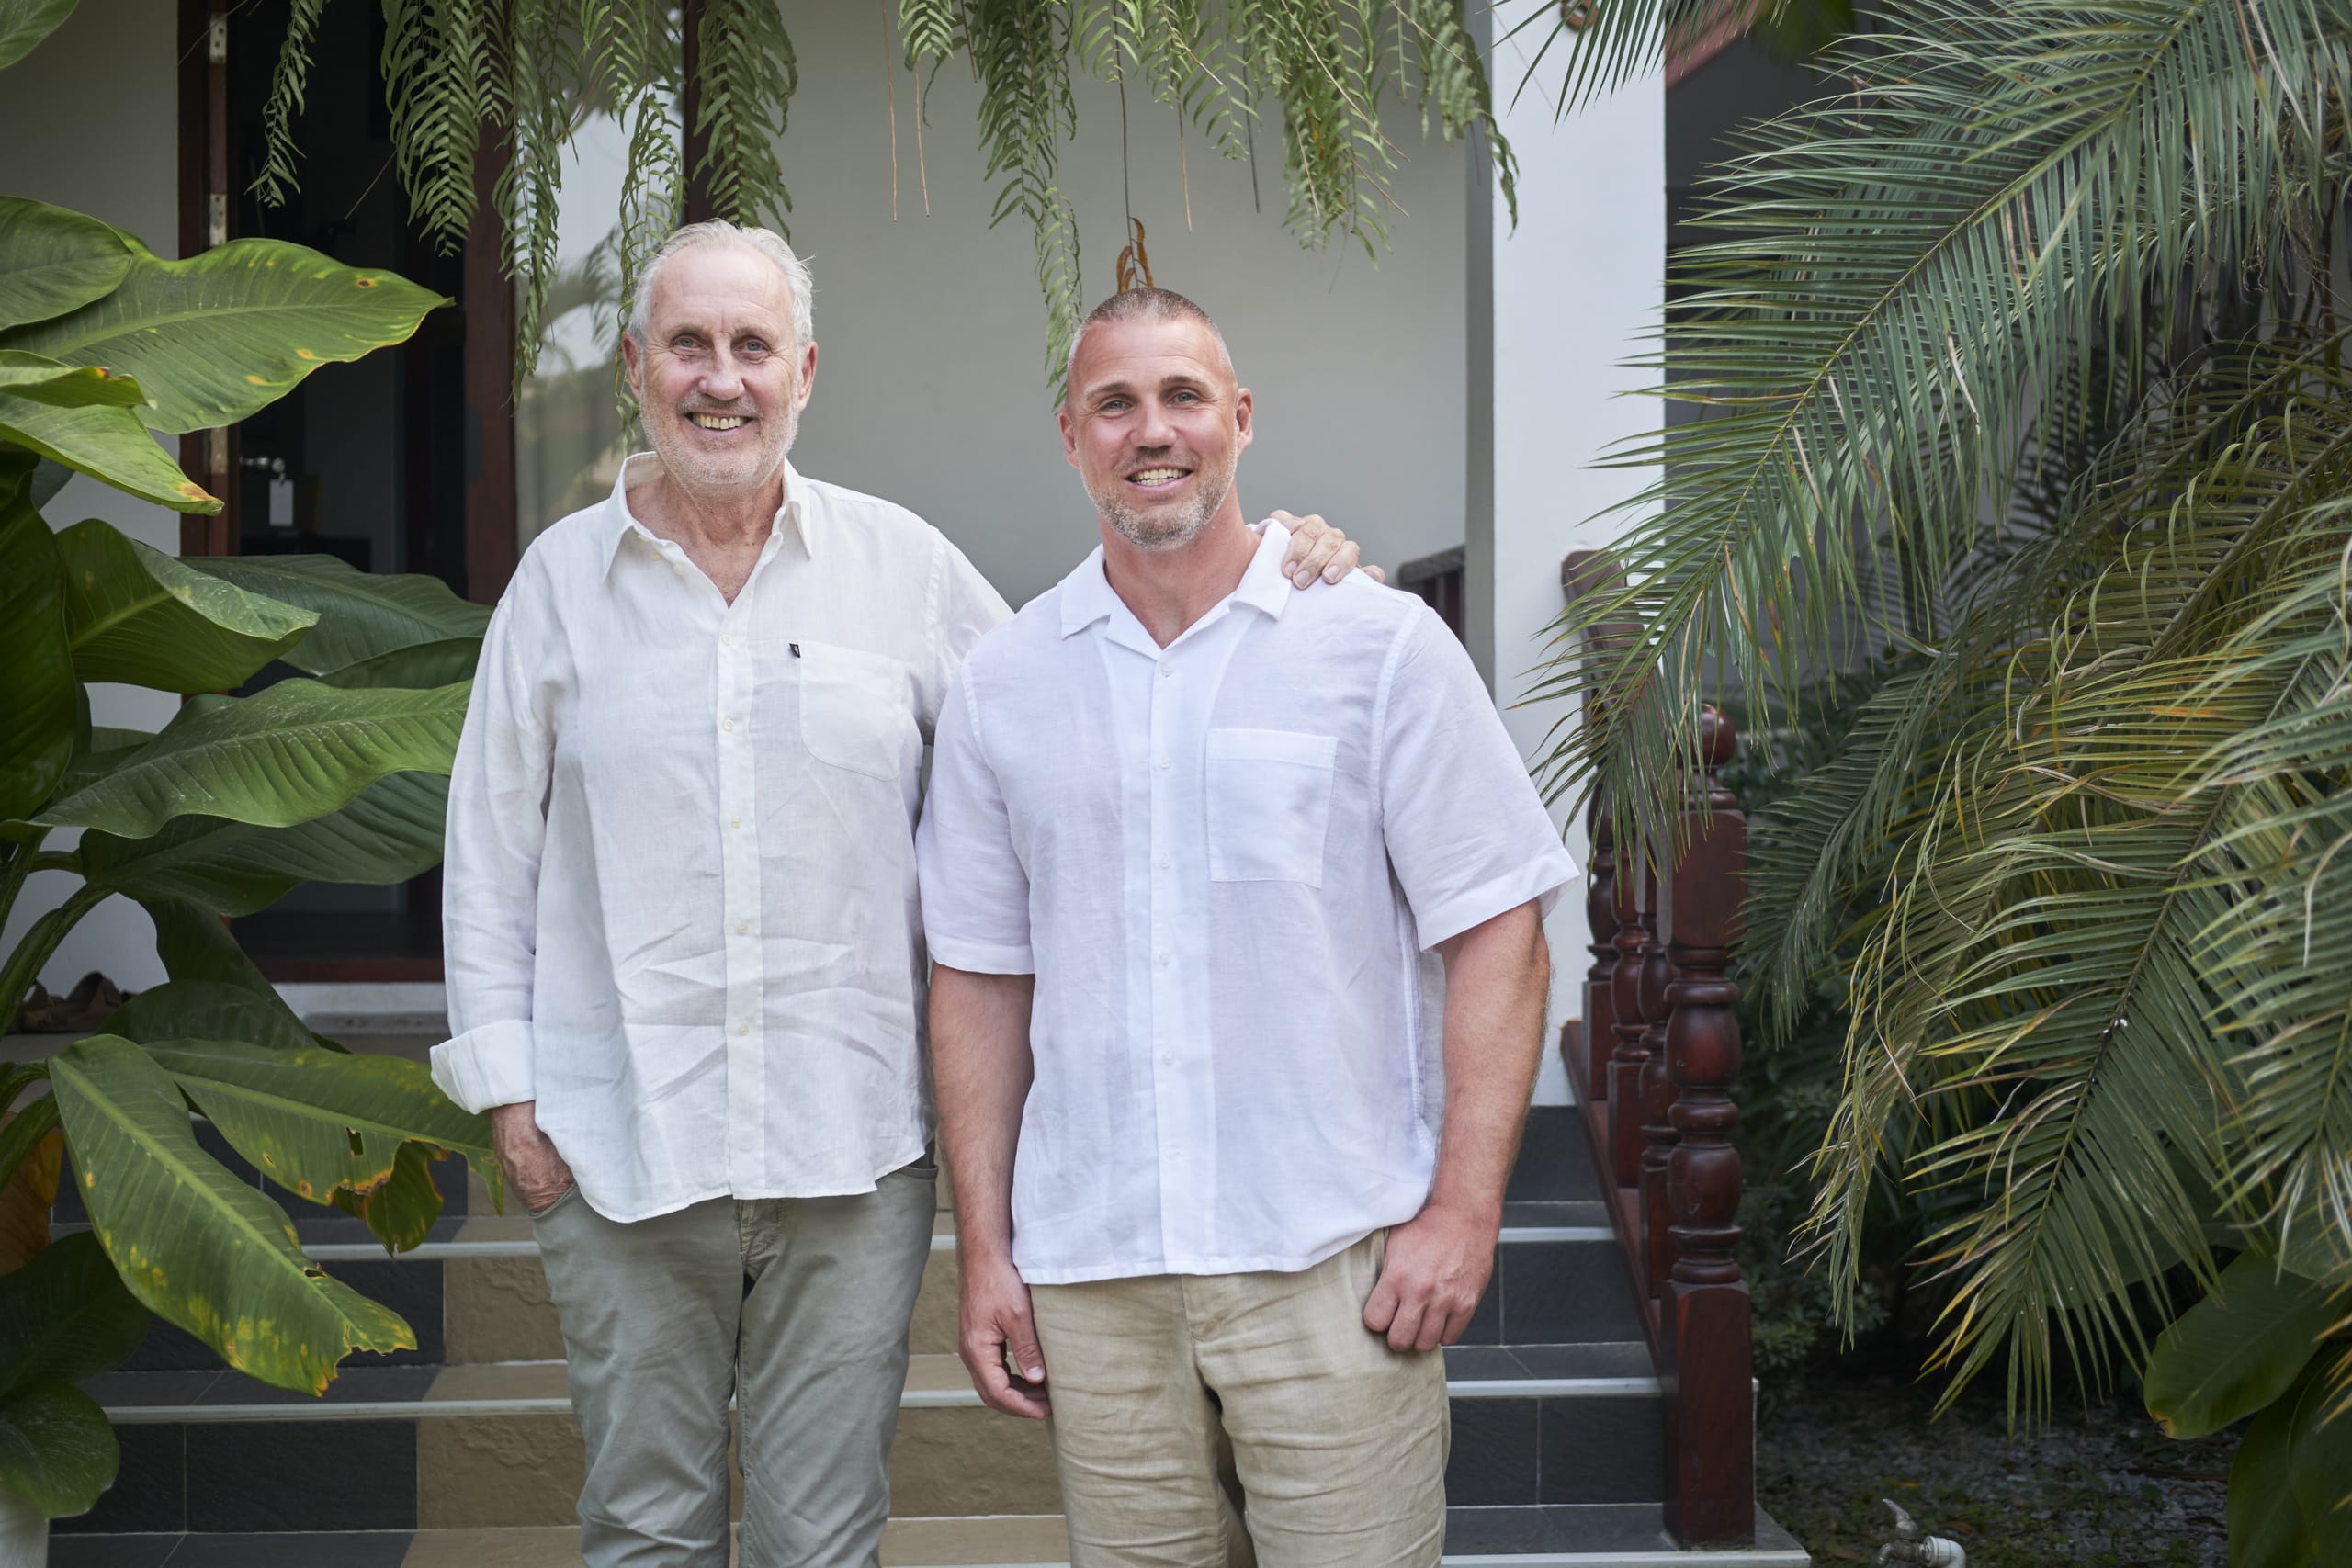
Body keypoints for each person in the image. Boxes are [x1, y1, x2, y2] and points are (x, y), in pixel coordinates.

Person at [427, 226, 1366, 1568]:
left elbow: (1086, 698)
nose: (721, 378)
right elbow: (489, 844)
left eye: (753, 347)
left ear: (804, 372)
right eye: (689, 345)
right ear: (637, 368)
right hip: (619, 1136)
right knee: (640, 1528)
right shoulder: (557, 587)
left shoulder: (903, 567)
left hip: (852, 1149)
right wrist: (512, 1097)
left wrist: (1281, 568)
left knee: (823, 1542)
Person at [918, 287, 1577, 1568]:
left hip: (1330, 1265)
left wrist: (1463, 1213)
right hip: (1096, 1275)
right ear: (1069, 434)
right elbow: (980, 980)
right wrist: (987, 1252)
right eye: (1114, 403)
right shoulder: (1006, 685)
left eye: (1181, 396)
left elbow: (1502, 923)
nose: (1150, 430)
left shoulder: (1376, 646)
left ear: (1241, 418)